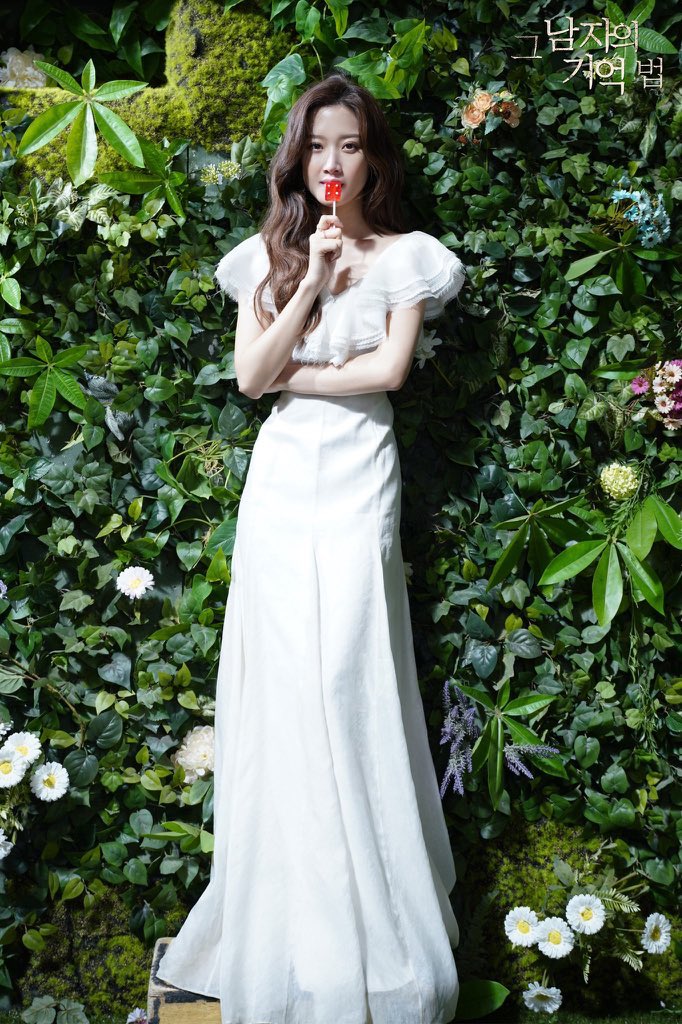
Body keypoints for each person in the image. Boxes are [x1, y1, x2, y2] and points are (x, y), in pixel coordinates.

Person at [156, 70, 466, 1024]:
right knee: (288, 683)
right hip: (283, 484)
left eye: (352, 145)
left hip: (359, 475)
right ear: (300, 155)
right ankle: (285, 920)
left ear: (373, 157)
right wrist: (315, 290)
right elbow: (252, 377)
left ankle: (374, 923)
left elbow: (393, 369)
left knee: (347, 674)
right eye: (320, 145)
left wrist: (306, 373)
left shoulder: (414, 256)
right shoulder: (268, 255)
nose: (334, 163)